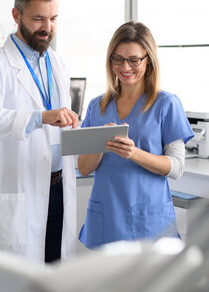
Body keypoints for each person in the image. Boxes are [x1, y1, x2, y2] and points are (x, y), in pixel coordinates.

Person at [0, 0, 79, 264]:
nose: (47, 28)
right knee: (7, 278)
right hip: (18, 190)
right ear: (17, 15)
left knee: (52, 271)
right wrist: (40, 118)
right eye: (38, 18)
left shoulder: (58, 63)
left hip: (57, 188)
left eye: (53, 18)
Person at [77, 21, 194, 249]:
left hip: (149, 218)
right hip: (107, 214)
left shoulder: (166, 104)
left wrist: (134, 153)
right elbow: (83, 168)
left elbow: (177, 167)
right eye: (118, 59)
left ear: (148, 60)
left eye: (134, 60)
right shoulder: (97, 106)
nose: (125, 67)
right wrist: (100, 143)